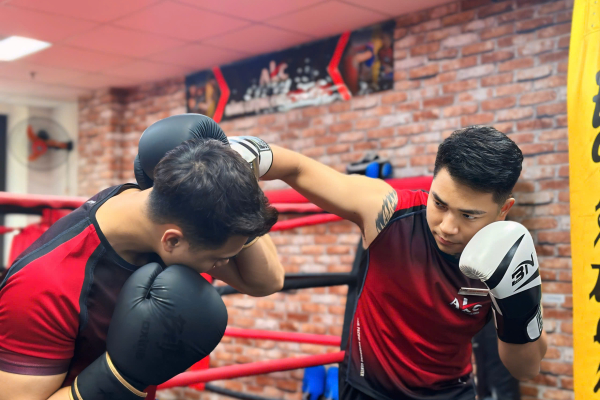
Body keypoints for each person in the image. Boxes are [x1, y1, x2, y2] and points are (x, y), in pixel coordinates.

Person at [237, 126, 547, 400]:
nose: (447, 227)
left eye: (468, 215)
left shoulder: (509, 260)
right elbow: (297, 168)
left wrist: (518, 305)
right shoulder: (388, 213)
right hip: (366, 389)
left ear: (503, 210)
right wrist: (241, 154)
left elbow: (526, 368)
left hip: (449, 394)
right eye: (439, 203)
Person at [0, 115, 283, 400]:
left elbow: (266, 281)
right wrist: (121, 377)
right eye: (218, 258)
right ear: (172, 241)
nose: (222, 266)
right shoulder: (43, 287)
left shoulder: (164, 207)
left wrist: (229, 182)